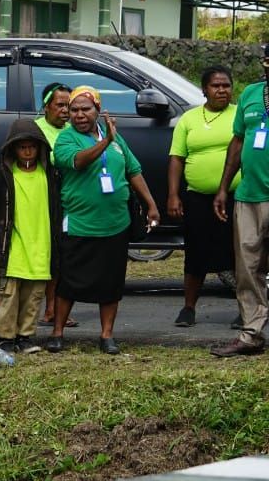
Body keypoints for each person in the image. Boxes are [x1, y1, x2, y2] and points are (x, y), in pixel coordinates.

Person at [48, 86, 160, 356]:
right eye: (73, 110)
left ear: (98, 110)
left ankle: (106, 334)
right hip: (80, 223)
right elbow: (78, 162)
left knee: (111, 283)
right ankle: (57, 332)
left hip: (115, 224)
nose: (79, 115)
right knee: (69, 281)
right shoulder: (66, 139)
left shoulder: (115, 139)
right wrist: (106, 141)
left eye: (85, 109)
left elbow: (133, 171)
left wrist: (151, 204)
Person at [167, 66, 237, 328]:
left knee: (238, 253)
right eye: (216, 86)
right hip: (197, 198)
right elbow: (176, 158)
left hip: (235, 196)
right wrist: (173, 195)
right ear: (204, 90)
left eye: (226, 85)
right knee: (195, 253)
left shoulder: (240, 115)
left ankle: (245, 309)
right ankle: (188, 308)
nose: (222, 90)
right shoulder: (189, 119)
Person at [212, 47, 269, 357]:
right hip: (249, 195)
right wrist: (224, 187)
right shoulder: (250, 94)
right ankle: (252, 335)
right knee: (248, 267)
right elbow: (238, 141)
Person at [0, 120, 59, 355]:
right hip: (12, 246)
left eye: (32, 147)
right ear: (12, 149)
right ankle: (6, 337)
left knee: (34, 296)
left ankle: (25, 336)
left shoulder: (50, 175)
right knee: (10, 295)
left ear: (40, 148)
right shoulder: (4, 175)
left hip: (41, 245)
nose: (27, 151)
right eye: (22, 147)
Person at [30, 82, 76, 329]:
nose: (66, 110)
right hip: (41, 200)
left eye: (68, 105)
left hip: (68, 200)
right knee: (44, 255)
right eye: (60, 105)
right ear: (46, 106)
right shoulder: (34, 130)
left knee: (63, 257)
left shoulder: (73, 130)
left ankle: (53, 309)